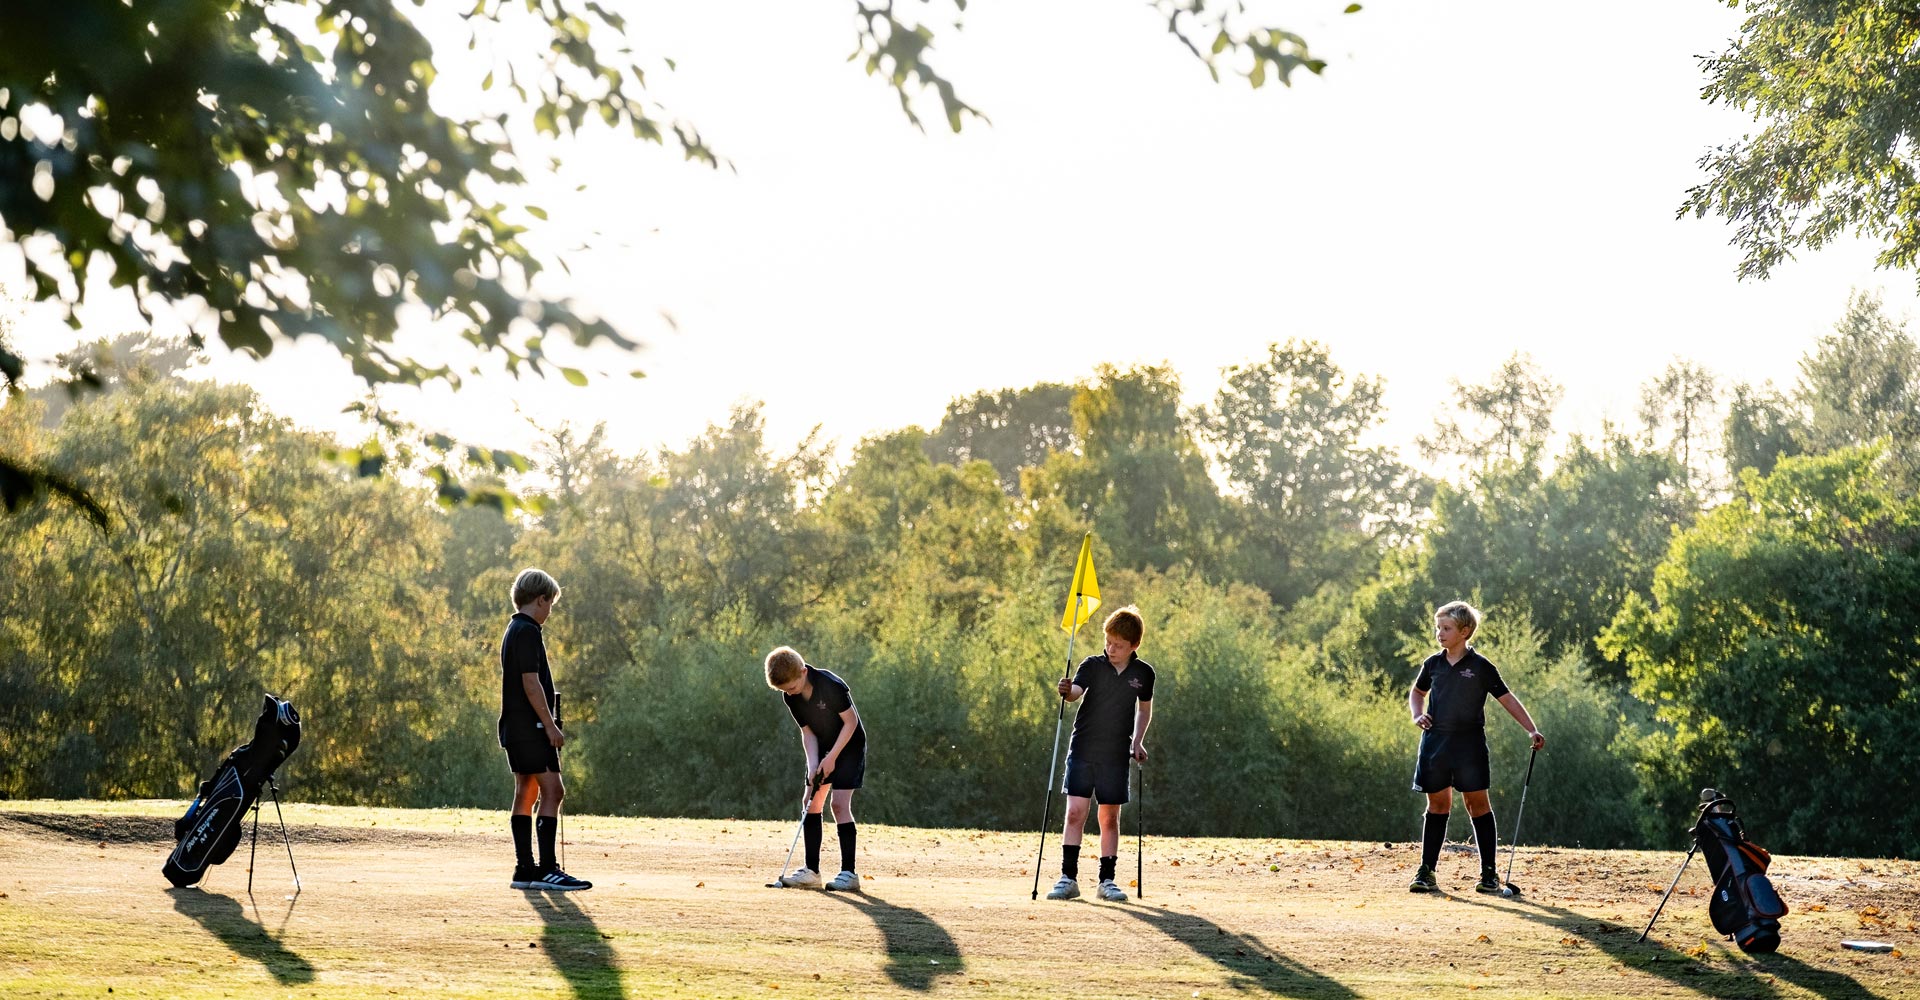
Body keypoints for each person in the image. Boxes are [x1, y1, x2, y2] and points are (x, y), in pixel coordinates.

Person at [1406, 601, 1544, 894]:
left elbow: (1506, 698)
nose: (1440, 633)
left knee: (1477, 804)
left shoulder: (1482, 667)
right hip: (1435, 743)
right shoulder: (1432, 664)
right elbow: (1417, 692)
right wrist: (1417, 714)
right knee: (1437, 805)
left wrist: (1531, 729)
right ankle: (1426, 871)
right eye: (1438, 628)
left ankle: (1489, 874)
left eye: (1447, 628)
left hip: (1469, 745)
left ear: (1465, 631)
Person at [1046, 605, 1154, 902]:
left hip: (1116, 753)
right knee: (1075, 812)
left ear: (1134, 645)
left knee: (1109, 818)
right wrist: (1065, 690)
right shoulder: (1092, 665)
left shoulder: (1144, 673)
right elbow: (1075, 693)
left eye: (1118, 645)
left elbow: (1144, 710)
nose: (1111, 649)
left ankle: (1107, 881)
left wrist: (1138, 741)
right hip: (1082, 747)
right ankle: (1068, 879)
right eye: (1108, 642)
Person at [500, 568, 590, 891]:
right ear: (540, 599)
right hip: (532, 728)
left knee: (527, 791)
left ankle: (525, 869)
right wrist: (550, 726)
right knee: (554, 791)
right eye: (550, 603)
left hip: (517, 729)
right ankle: (548, 869)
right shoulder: (528, 632)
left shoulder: (514, 629)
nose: (550, 610)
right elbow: (530, 682)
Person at [765, 646, 867, 891]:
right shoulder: (790, 695)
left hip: (849, 744)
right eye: (784, 690)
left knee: (839, 804)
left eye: (791, 687)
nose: (789, 693)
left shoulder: (830, 685)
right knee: (810, 801)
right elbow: (807, 731)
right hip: (822, 744)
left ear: (803, 672)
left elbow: (851, 722)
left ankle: (849, 874)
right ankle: (811, 871)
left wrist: (832, 757)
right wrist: (813, 764)